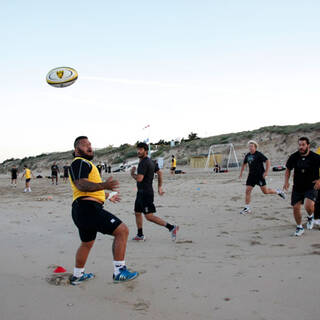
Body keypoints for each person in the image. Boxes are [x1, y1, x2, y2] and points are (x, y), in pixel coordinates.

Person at [68, 136, 138, 284]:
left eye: (90, 144)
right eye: (85, 145)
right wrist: (104, 186)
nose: (89, 147)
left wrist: (105, 196)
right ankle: (119, 271)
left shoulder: (85, 165)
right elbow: (81, 185)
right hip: (87, 209)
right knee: (122, 231)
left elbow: (88, 190)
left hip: (83, 209)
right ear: (76, 150)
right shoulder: (80, 162)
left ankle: (78, 275)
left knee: (87, 243)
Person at [131, 142, 179, 241]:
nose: (138, 151)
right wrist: (159, 187)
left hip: (145, 194)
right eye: (138, 149)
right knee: (137, 212)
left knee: (149, 216)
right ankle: (140, 235)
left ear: (146, 151)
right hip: (141, 193)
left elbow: (139, 179)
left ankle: (171, 227)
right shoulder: (151, 161)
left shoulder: (144, 162)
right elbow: (159, 172)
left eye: (141, 150)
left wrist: (132, 174)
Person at [283, 137, 320, 236]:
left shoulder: (315, 157)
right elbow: (288, 169)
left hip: (311, 185)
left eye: (303, 145)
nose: (301, 147)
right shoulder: (293, 157)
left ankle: (310, 216)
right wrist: (286, 182)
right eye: (299, 145)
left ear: (308, 145)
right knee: (295, 207)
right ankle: (299, 227)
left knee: (308, 205)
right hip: (298, 186)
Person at [239, 140, 285, 214]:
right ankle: (247, 208)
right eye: (249, 146)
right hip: (251, 176)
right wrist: (241, 173)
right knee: (247, 191)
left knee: (265, 191)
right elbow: (244, 164)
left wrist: (266, 172)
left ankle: (278, 191)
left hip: (260, 176)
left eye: (252, 146)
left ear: (255, 147)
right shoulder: (247, 155)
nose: (250, 148)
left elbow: (267, 161)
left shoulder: (259, 154)